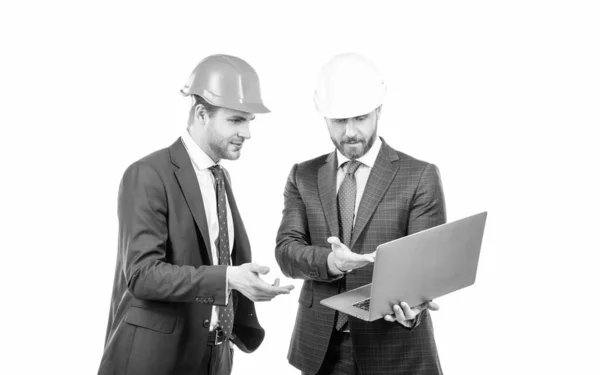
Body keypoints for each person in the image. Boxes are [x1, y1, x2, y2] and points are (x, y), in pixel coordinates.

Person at [98, 54, 294, 375]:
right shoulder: (148, 174)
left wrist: (243, 284)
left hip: (215, 356)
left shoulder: (220, 177)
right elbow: (142, 276)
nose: (247, 133)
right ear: (202, 114)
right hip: (157, 360)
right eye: (235, 120)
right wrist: (229, 278)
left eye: (249, 121)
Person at [275, 53, 446, 375]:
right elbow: (286, 252)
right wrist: (331, 262)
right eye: (339, 121)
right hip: (321, 350)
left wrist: (413, 309)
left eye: (360, 118)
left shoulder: (419, 175)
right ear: (323, 116)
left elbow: (427, 268)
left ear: (378, 110)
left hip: (394, 347)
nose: (350, 132)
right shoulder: (304, 175)